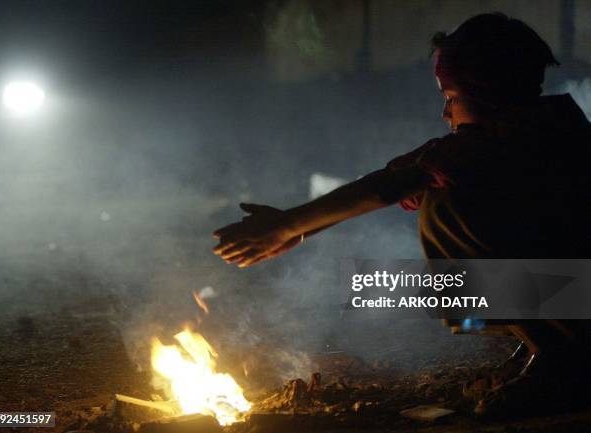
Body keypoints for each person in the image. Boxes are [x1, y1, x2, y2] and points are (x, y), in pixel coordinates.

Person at [213, 13, 591, 415]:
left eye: (451, 98)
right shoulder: (543, 124)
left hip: (579, 291)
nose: (446, 114)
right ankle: (545, 344)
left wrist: (287, 226)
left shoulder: (505, 141)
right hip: (573, 288)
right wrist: (298, 229)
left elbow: (390, 187)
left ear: (488, 93)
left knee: (445, 209)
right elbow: (395, 178)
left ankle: (565, 361)